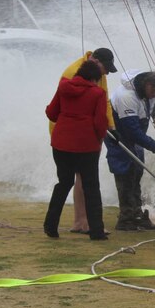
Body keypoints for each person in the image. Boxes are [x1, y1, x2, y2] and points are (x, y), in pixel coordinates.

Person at [51, 47, 117, 234]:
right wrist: (101, 133)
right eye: (106, 68)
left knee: (73, 181)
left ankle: (79, 222)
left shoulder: (95, 74)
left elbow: (105, 103)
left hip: (67, 137)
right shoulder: (72, 73)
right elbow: (95, 111)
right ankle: (85, 223)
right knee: (85, 181)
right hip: (80, 138)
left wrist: (112, 126)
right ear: (96, 62)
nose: (106, 73)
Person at [105, 69, 155, 231]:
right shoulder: (127, 97)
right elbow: (131, 131)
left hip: (136, 135)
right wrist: (154, 145)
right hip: (120, 136)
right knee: (125, 173)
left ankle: (137, 214)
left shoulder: (152, 92)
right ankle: (126, 218)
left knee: (137, 172)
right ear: (148, 85)